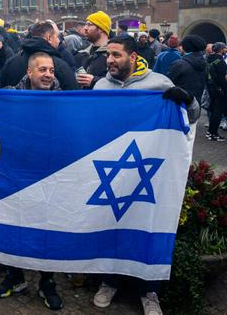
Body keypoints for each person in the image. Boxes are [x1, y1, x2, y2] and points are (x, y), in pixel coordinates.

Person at [92, 36, 198, 315]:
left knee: (147, 226)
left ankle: (149, 290)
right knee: (112, 227)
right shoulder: (101, 85)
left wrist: (187, 100)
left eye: (116, 55)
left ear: (134, 56)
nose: (110, 60)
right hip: (111, 170)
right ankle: (109, 281)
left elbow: (193, 114)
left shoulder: (159, 83)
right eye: (108, 55)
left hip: (147, 172)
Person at [0, 53, 62, 311]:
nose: (48, 74)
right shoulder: (10, 94)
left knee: (48, 227)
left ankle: (47, 281)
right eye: (42, 69)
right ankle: (15, 276)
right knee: (16, 225)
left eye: (51, 70)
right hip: (17, 171)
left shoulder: (65, 100)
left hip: (50, 172)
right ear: (29, 72)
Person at [0, 21, 78, 91]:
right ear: (49, 38)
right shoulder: (60, 65)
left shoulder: (11, 62)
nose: (59, 41)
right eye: (57, 37)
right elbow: (73, 97)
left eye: (51, 71)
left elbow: (1, 93)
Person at [166, 35, 207, 112]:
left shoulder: (179, 64)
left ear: (185, 47)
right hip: (196, 105)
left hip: (179, 105)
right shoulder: (204, 62)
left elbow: (167, 83)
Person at [77, 11, 111, 89]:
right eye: (85, 24)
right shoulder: (83, 53)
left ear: (101, 29)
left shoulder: (113, 54)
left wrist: (94, 81)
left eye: (89, 24)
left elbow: (120, 81)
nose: (85, 28)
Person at [205, 42, 227, 141]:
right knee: (218, 112)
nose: (225, 49)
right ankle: (214, 133)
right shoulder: (220, 62)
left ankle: (210, 131)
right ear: (221, 49)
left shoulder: (208, 59)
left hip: (210, 87)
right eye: (224, 48)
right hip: (219, 90)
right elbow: (223, 79)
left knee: (213, 110)